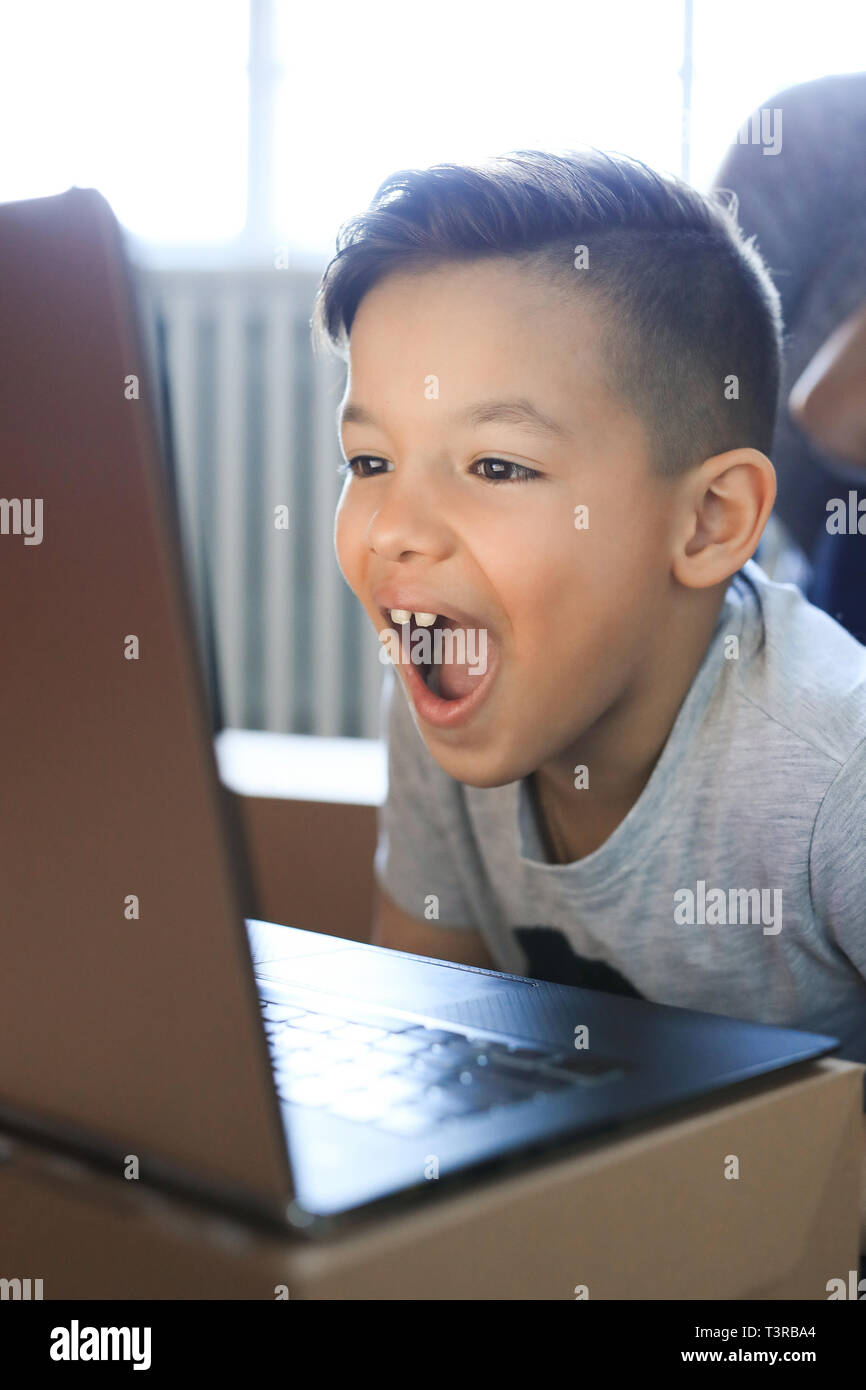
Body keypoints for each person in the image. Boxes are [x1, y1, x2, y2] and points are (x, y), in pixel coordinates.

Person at [312, 149, 866, 1246]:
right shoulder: (444, 686)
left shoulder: (829, 777)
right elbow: (423, 1052)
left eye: (496, 467)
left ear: (707, 522)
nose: (394, 530)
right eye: (369, 460)